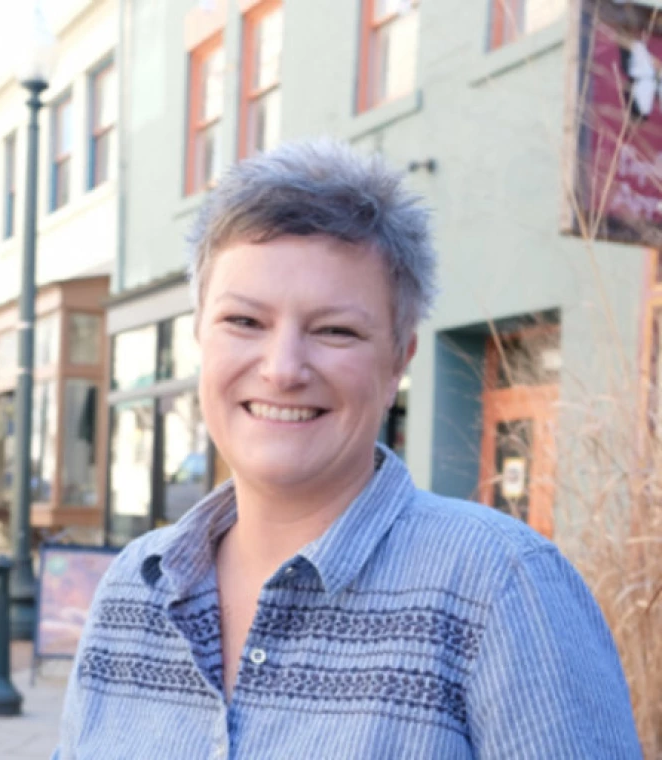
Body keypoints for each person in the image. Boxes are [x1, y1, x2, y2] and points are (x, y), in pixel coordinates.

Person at [53, 139, 641, 758]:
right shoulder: (131, 592)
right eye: (244, 322)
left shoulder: (503, 590)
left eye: (335, 331)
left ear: (397, 363)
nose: (282, 369)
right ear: (201, 334)